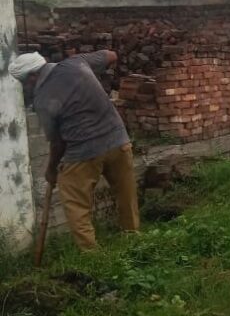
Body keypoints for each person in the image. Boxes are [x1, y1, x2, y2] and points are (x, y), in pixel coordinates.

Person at [9, 51, 140, 250]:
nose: (25, 88)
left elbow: (58, 142)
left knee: (76, 204)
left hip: (84, 153)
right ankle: (133, 240)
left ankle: (92, 256)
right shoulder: (78, 63)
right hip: (118, 141)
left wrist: (51, 170)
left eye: (23, 83)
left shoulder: (43, 100)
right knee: (126, 196)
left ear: (33, 76)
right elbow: (112, 56)